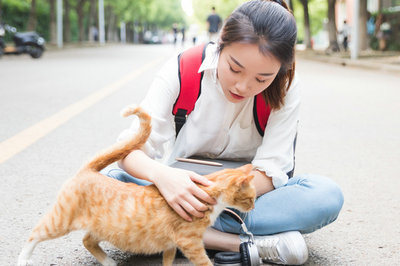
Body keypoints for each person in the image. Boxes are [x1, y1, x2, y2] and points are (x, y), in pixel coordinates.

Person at [103, 0, 344, 265]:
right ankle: (242, 243)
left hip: (241, 196)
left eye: (262, 79)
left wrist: (205, 196)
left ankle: (173, 232)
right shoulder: (183, 68)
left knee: (325, 194)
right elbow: (127, 151)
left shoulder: (286, 87)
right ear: (221, 41)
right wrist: (166, 179)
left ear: (281, 69)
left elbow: (272, 170)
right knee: (108, 183)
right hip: (178, 188)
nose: (242, 86)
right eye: (234, 68)